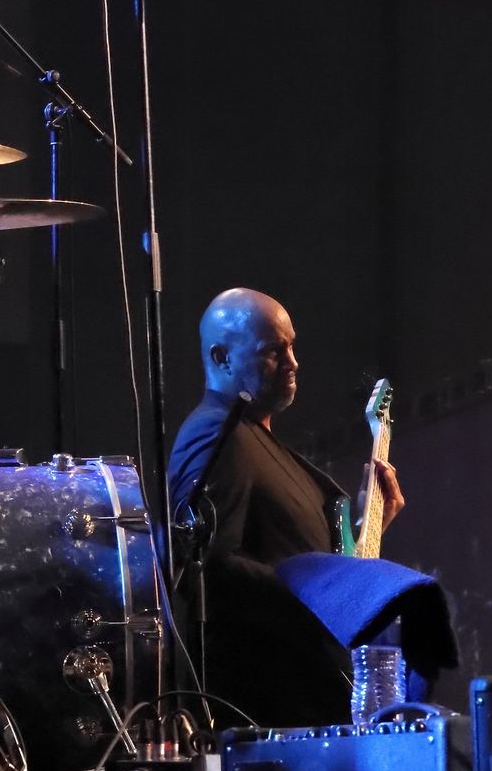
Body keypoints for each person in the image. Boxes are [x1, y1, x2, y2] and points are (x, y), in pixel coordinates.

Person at [167, 287, 410, 728]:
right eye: (273, 352)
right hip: (266, 713)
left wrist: (365, 529)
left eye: (292, 347)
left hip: (305, 703)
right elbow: (208, 564)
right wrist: (326, 592)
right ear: (222, 358)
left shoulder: (254, 439)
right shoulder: (217, 434)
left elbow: (288, 552)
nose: (292, 363)